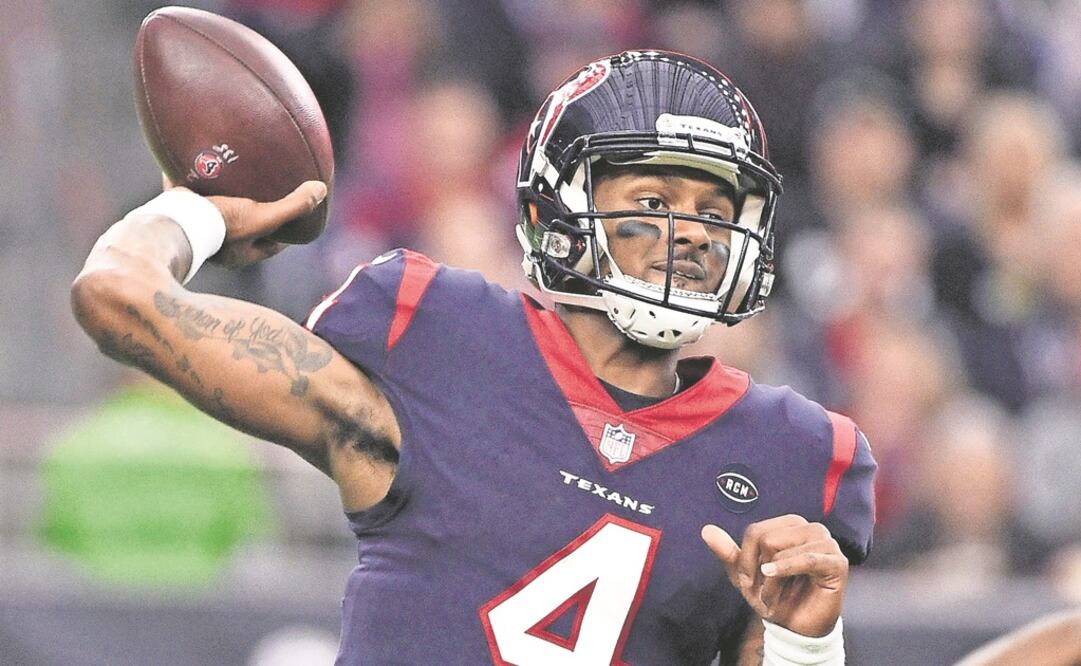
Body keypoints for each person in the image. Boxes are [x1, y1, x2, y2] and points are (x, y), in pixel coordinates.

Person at [72, 50, 875, 665]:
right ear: (552, 210)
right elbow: (119, 296)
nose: (695, 232)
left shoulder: (793, 455)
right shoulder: (439, 339)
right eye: (656, 201)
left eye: (714, 207)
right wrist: (198, 206)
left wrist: (807, 647)